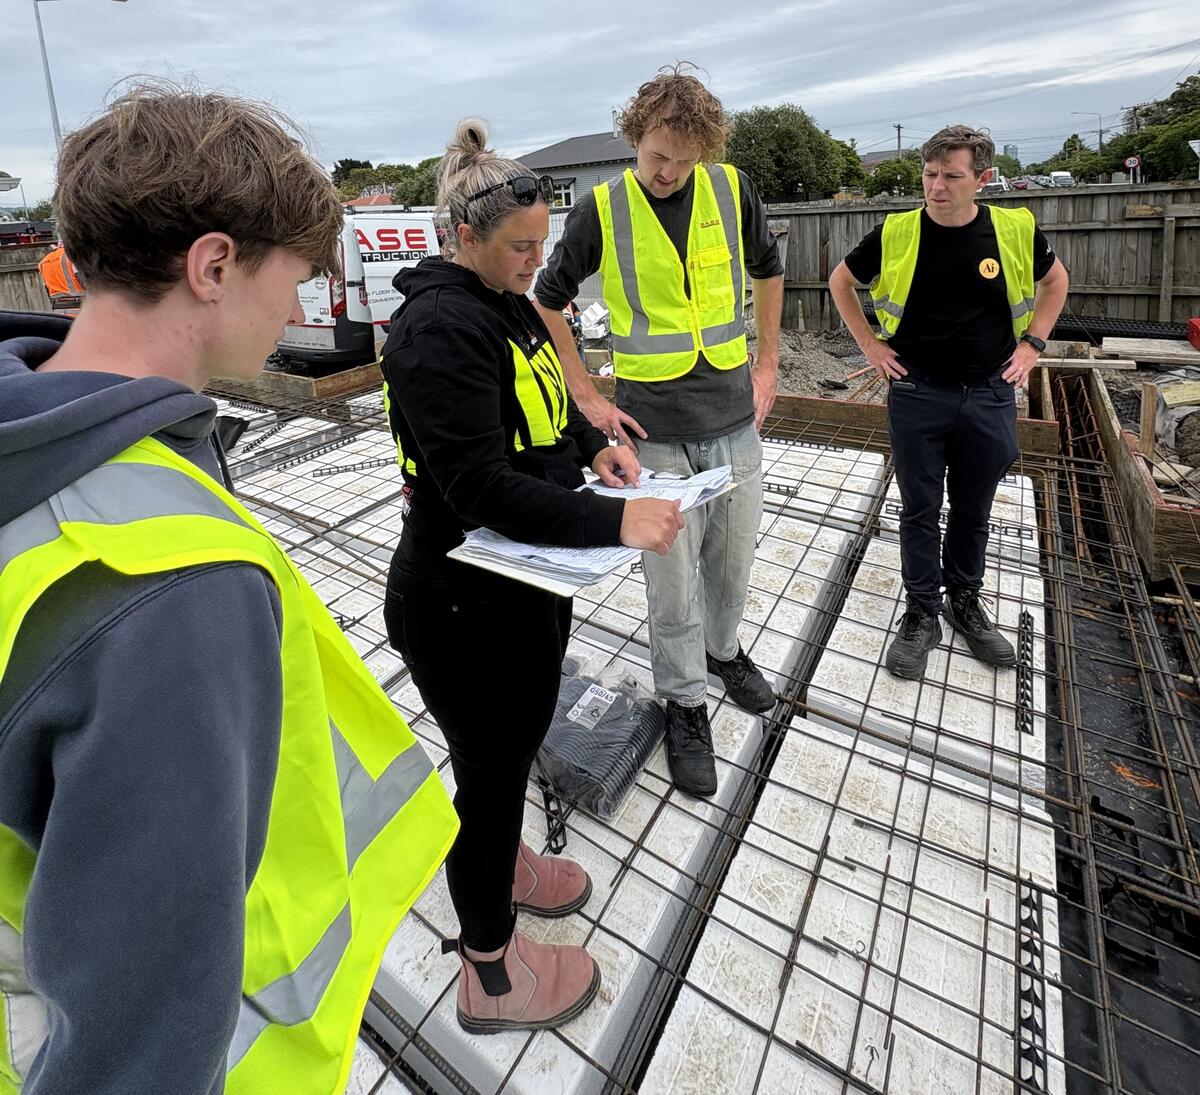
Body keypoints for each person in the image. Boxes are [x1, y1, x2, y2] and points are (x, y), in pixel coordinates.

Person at [0, 83, 458, 1095]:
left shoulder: (30, 441)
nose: (299, 310)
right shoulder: (168, 587)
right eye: (292, 277)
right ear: (213, 266)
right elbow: (140, 1039)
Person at [380, 119, 683, 1034]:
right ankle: (489, 970)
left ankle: (508, 862)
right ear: (463, 237)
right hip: (459, 598)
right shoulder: (436, 330)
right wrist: (615, 517)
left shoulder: (503, 305)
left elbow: (547, 412)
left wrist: (598, 446)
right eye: (519, 247)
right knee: (489, 767)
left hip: (515, 585)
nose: (535, 264)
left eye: (541, 246)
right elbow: (477, 486)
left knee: (502, 761)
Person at [533, 64, 785, 799]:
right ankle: (684, 701)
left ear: (705, 149)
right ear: (633, 138)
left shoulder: (732, 189)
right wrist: (585, 393)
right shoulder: (602, 208)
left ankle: (724, 651)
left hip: (735, 419)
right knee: (671, 582)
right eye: (654, 155)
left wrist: (768, 363)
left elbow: (770, 271)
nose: (668, 171)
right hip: (656, 431)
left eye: (683, 158)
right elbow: (548, 302)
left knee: (732, 562)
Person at [829, 125, 1069, 679]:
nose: (937, 187)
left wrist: (1033, 345)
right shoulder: (896, 232)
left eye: (951, 176)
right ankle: (921, 612)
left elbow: (1056, 283)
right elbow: (841, 281)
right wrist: (869, 344)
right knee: (918, 506)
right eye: (930, 174)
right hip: (919, 391)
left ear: (981, 180)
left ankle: (964, 600)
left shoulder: (1013, 230)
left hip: (988, 391)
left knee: (973, 505)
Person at [36, 243, 85, 310]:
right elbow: (84, 281)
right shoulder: (72, 256)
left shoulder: (43, 262)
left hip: (58, 308)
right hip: (80, 306)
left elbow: (47, 288)